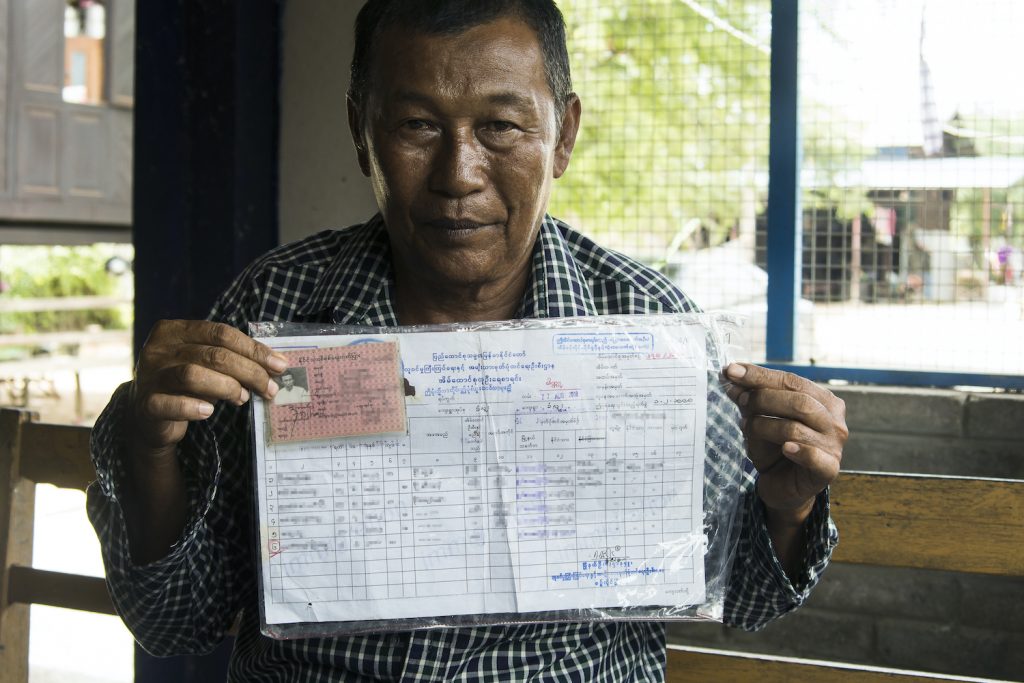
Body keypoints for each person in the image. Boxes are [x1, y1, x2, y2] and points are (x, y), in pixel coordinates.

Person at [87, 1, 846, 681]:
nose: (460, 174)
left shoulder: (645, 324)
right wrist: (149, 451)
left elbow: (739, 595)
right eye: (418, 125)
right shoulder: (277, 307)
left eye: (501, 127)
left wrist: (787, 506)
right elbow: (173, 620)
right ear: (362, 133)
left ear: (564, 134)